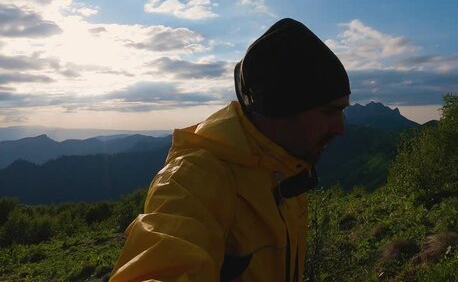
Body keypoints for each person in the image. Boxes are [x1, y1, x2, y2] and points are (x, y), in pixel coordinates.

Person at [109, 18, 351, 282]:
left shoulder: (284, 169)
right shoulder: (193, 177)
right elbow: (165, 259)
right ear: (282, 106)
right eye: (330, 112)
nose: (341, 129)